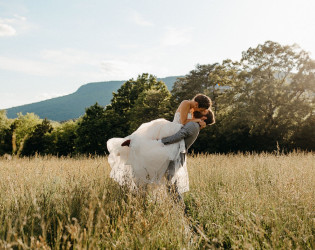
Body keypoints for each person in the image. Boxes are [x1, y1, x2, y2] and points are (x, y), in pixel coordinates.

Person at [107, 94, 212, 192]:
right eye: (200, 109)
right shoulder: (186, 103)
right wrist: (198, 120)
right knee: (153, 141)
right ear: (197, 104)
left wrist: (200, 123)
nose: (200, 111)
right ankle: (131, 143)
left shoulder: (192, 108)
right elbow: (184, 122)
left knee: (155, 148)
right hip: (174, 127)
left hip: (177, 129)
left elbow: (189, 127)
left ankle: (133, 146)